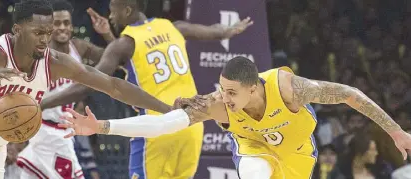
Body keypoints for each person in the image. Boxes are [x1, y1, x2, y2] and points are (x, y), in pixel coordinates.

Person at [61, 56, 411, 179]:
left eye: (232, 92)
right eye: (223, 90)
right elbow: (162, 125)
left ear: (255, 88)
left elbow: (351, 95)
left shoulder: (288, 87)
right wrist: (102, 126)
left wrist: (397, 133)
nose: (225, 97)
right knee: (252, 171)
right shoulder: (220, 103)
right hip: (256, 150)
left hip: (299, 152)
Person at [0, 0, 172, 178]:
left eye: (47, 32)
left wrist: (167, 109)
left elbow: (113, 86)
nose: (44, 40)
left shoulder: (55, 61)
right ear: (17, 30)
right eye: (37, 33)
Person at [40, 0, 253, 178]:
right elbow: (213, 32)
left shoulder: (124, 44)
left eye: (113, 10)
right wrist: (229, 30)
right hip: (192, 126)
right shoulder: (172, 26)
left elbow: (88, 84)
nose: (111, 16)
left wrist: (40, 105)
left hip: (157, 127)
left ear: (127, 10)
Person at [16, 1, 111, 178]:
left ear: (72, 25)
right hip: (43, 131)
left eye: (66, 23)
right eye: (56, 23)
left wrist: (107, 35)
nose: (62, 28)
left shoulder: (78, 48)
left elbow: (115, 60)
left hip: (64, 132)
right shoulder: (36, 54)